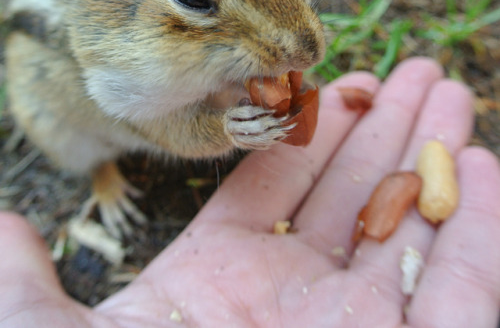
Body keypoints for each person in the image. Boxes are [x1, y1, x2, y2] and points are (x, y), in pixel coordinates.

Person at [1, 57, 499, 327]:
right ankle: (103, 175)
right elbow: (164, 128)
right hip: (85, 119)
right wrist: (226, 129)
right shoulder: (128, 68)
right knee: (76, 145)